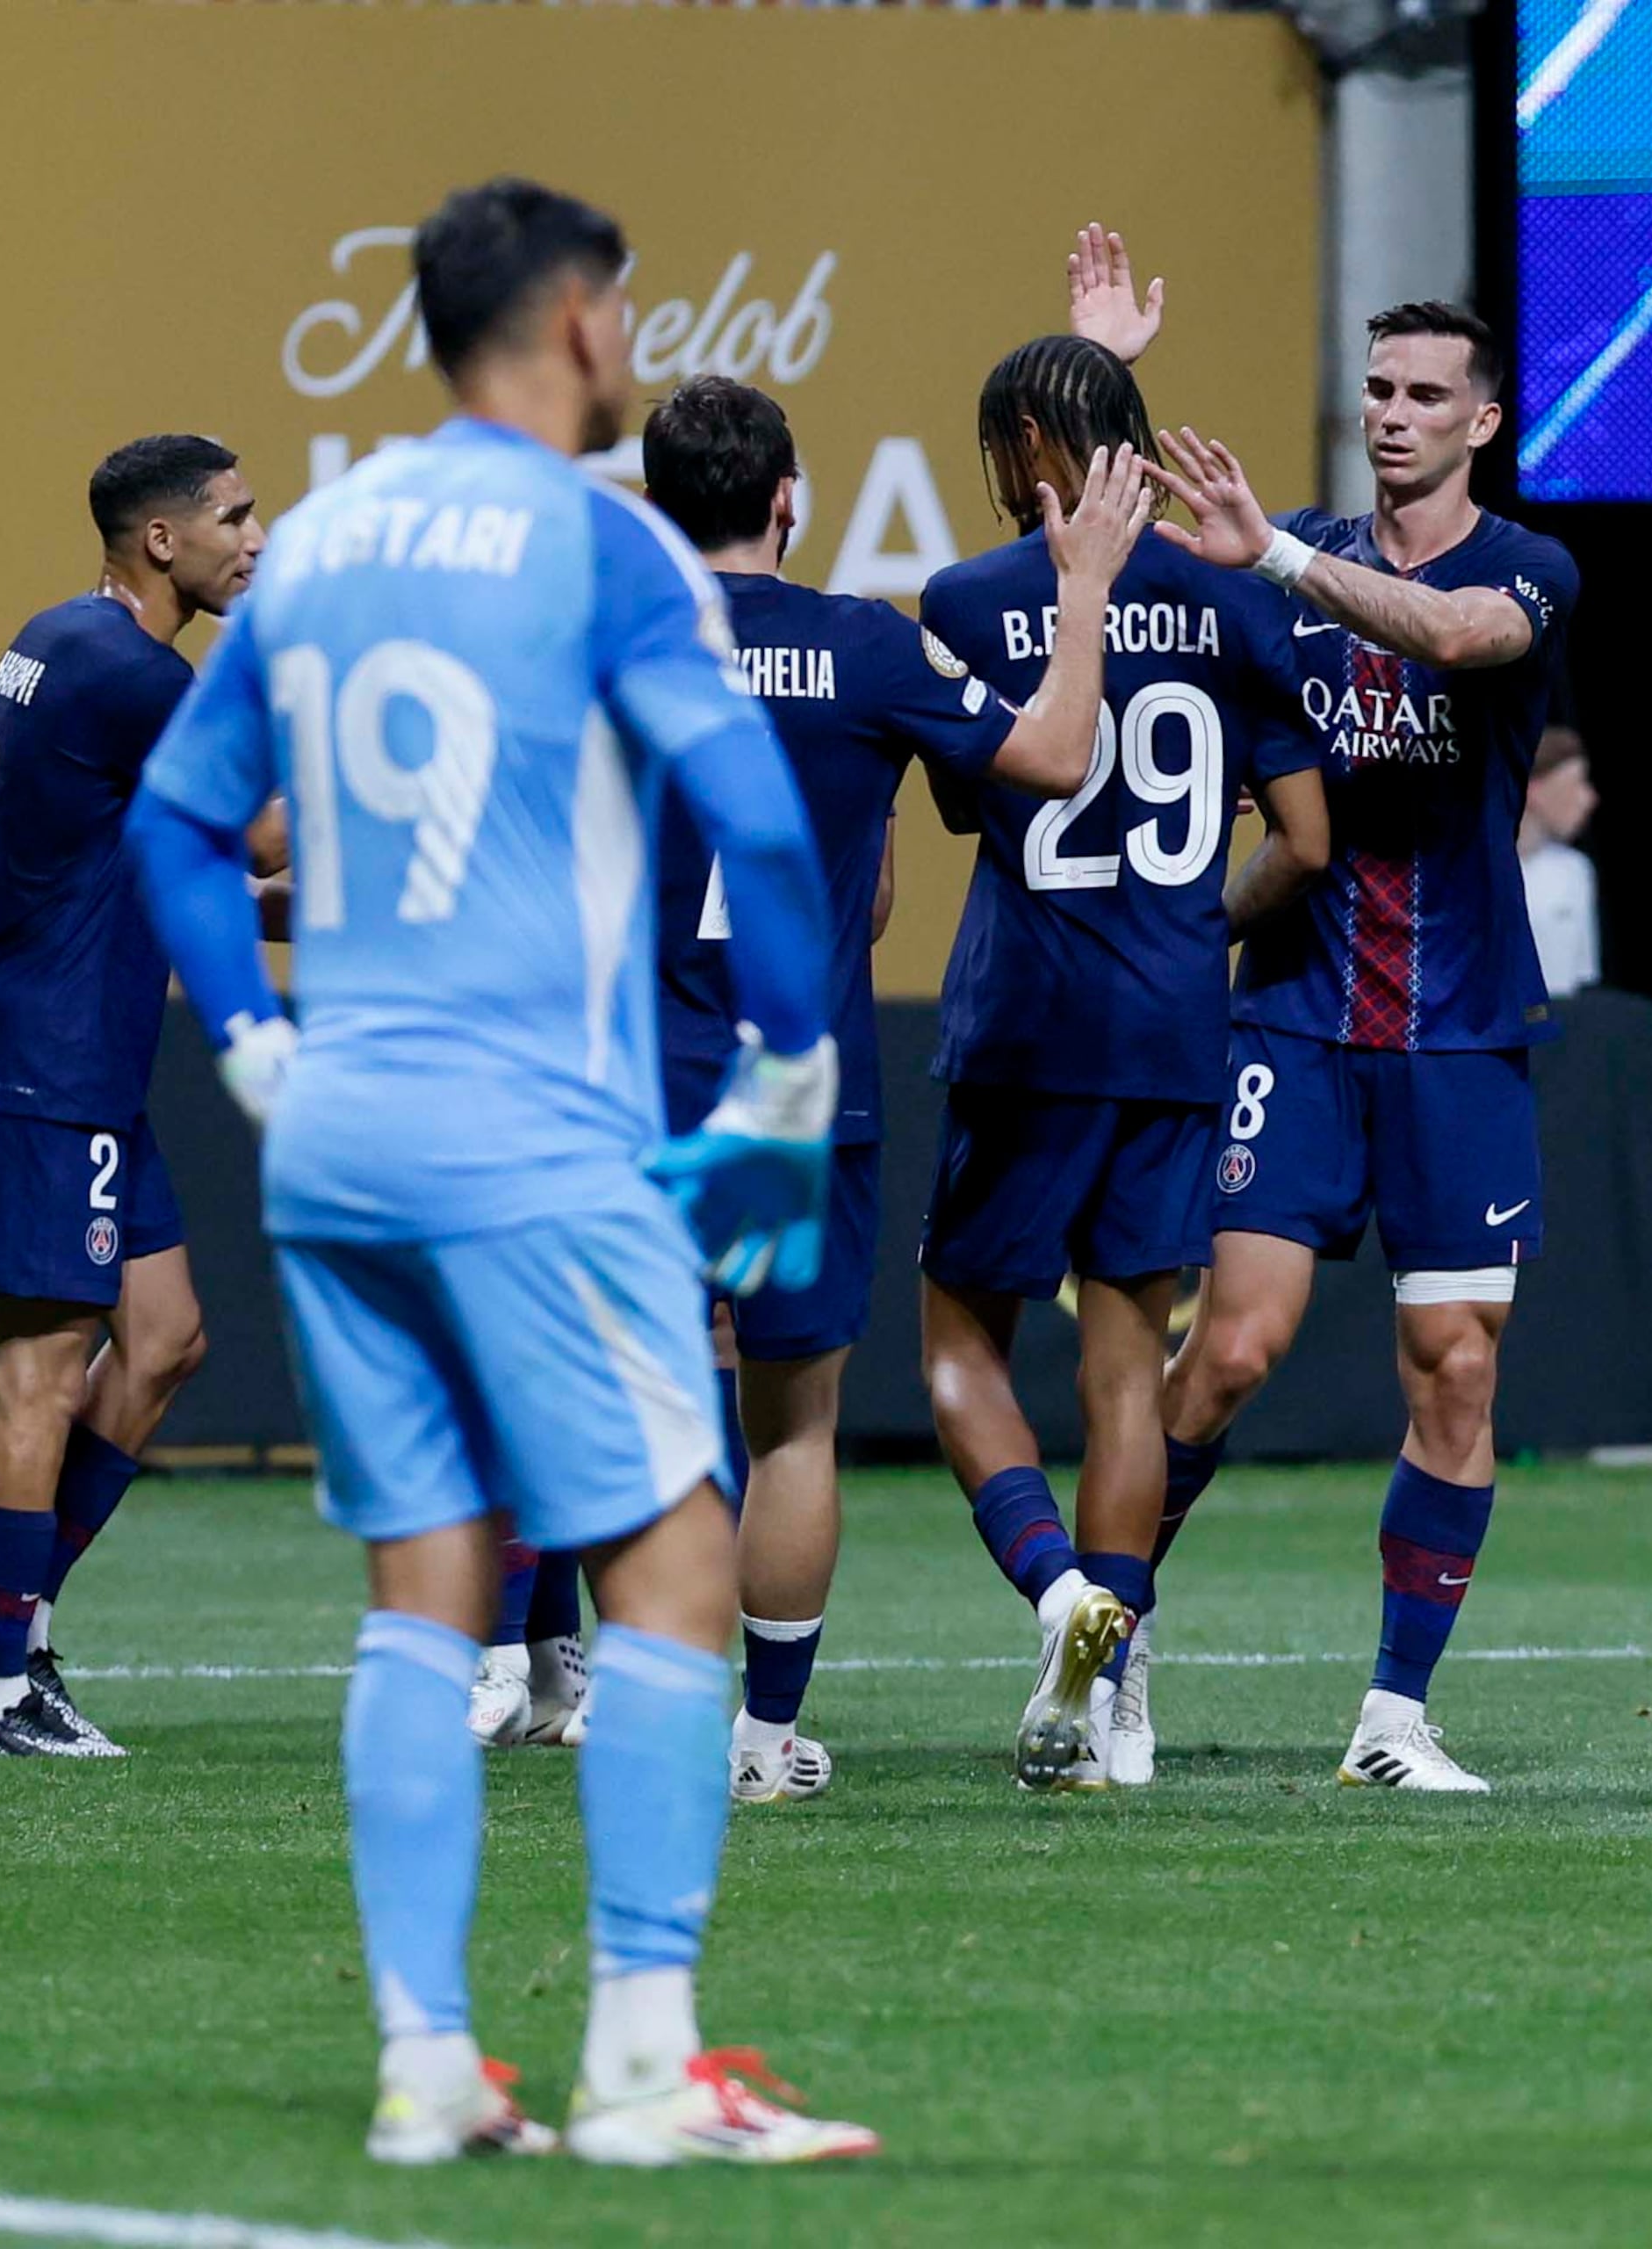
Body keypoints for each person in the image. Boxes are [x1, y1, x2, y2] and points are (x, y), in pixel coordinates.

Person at [127, 176, 876, 2165]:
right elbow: (763, 831)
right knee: (670, 1562)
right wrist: (793, 1067)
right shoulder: (607, 547)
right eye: (620, 310)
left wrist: (258, 1044)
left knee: (423, 1594)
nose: (630, 343)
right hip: (538, 1127)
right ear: (564, 322)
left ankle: (426, 2059)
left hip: (344, 1136)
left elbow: (182, 823)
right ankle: (643, 2058)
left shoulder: (332, 533)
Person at [624, 370, 1148, 1801]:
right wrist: (1085, 581)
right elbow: (1051, 757)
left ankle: (628, 1704)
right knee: (791, 1423)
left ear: (653, 507)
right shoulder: (867, 647)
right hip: (800, 1094)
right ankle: (763, 1737)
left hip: (632, 1089)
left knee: (632, 1406)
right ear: (790, 499)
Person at [1129, 302, 1579, 1795]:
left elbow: (1454, 637)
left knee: (1454, 1369)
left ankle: (1394, 1718)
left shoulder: (1524, 571)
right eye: (1379, 387)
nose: (1393, 412)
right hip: (1297, 1019)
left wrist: (1273, 556)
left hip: (1458, 1033)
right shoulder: (1280, 562)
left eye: (1427, 393)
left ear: (1482, 422)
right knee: (1235, 1349)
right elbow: (1109, 547)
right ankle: (1106, 1640)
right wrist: (1110, 372)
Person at [916, 333, 1327, 1791]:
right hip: (1169, 1026)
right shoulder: (1231, 590)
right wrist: (1190, 935)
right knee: (1122, 1370)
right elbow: (1310, 843)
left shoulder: (968, 599)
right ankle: (1120, 1684)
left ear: (1027, 444)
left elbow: (989, 806)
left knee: (960, 1346)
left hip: (1025, 1018)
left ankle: (1059, 1594)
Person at [0, 434, 263, 1758]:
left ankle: (10, 1621)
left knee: (165, 1335)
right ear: (160, 541)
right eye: (234, 516)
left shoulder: (60, 640)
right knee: (41, 1370)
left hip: (76, 1059)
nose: (255, 536)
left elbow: (195, 869)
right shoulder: (133, 674)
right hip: (41, 1058)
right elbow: (270, 835)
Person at [1518, 724, 1600, 997]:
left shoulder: (1575, 872)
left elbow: (1582, 981)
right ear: (1535, 791)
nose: (1589, 799)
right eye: (1577, 784)